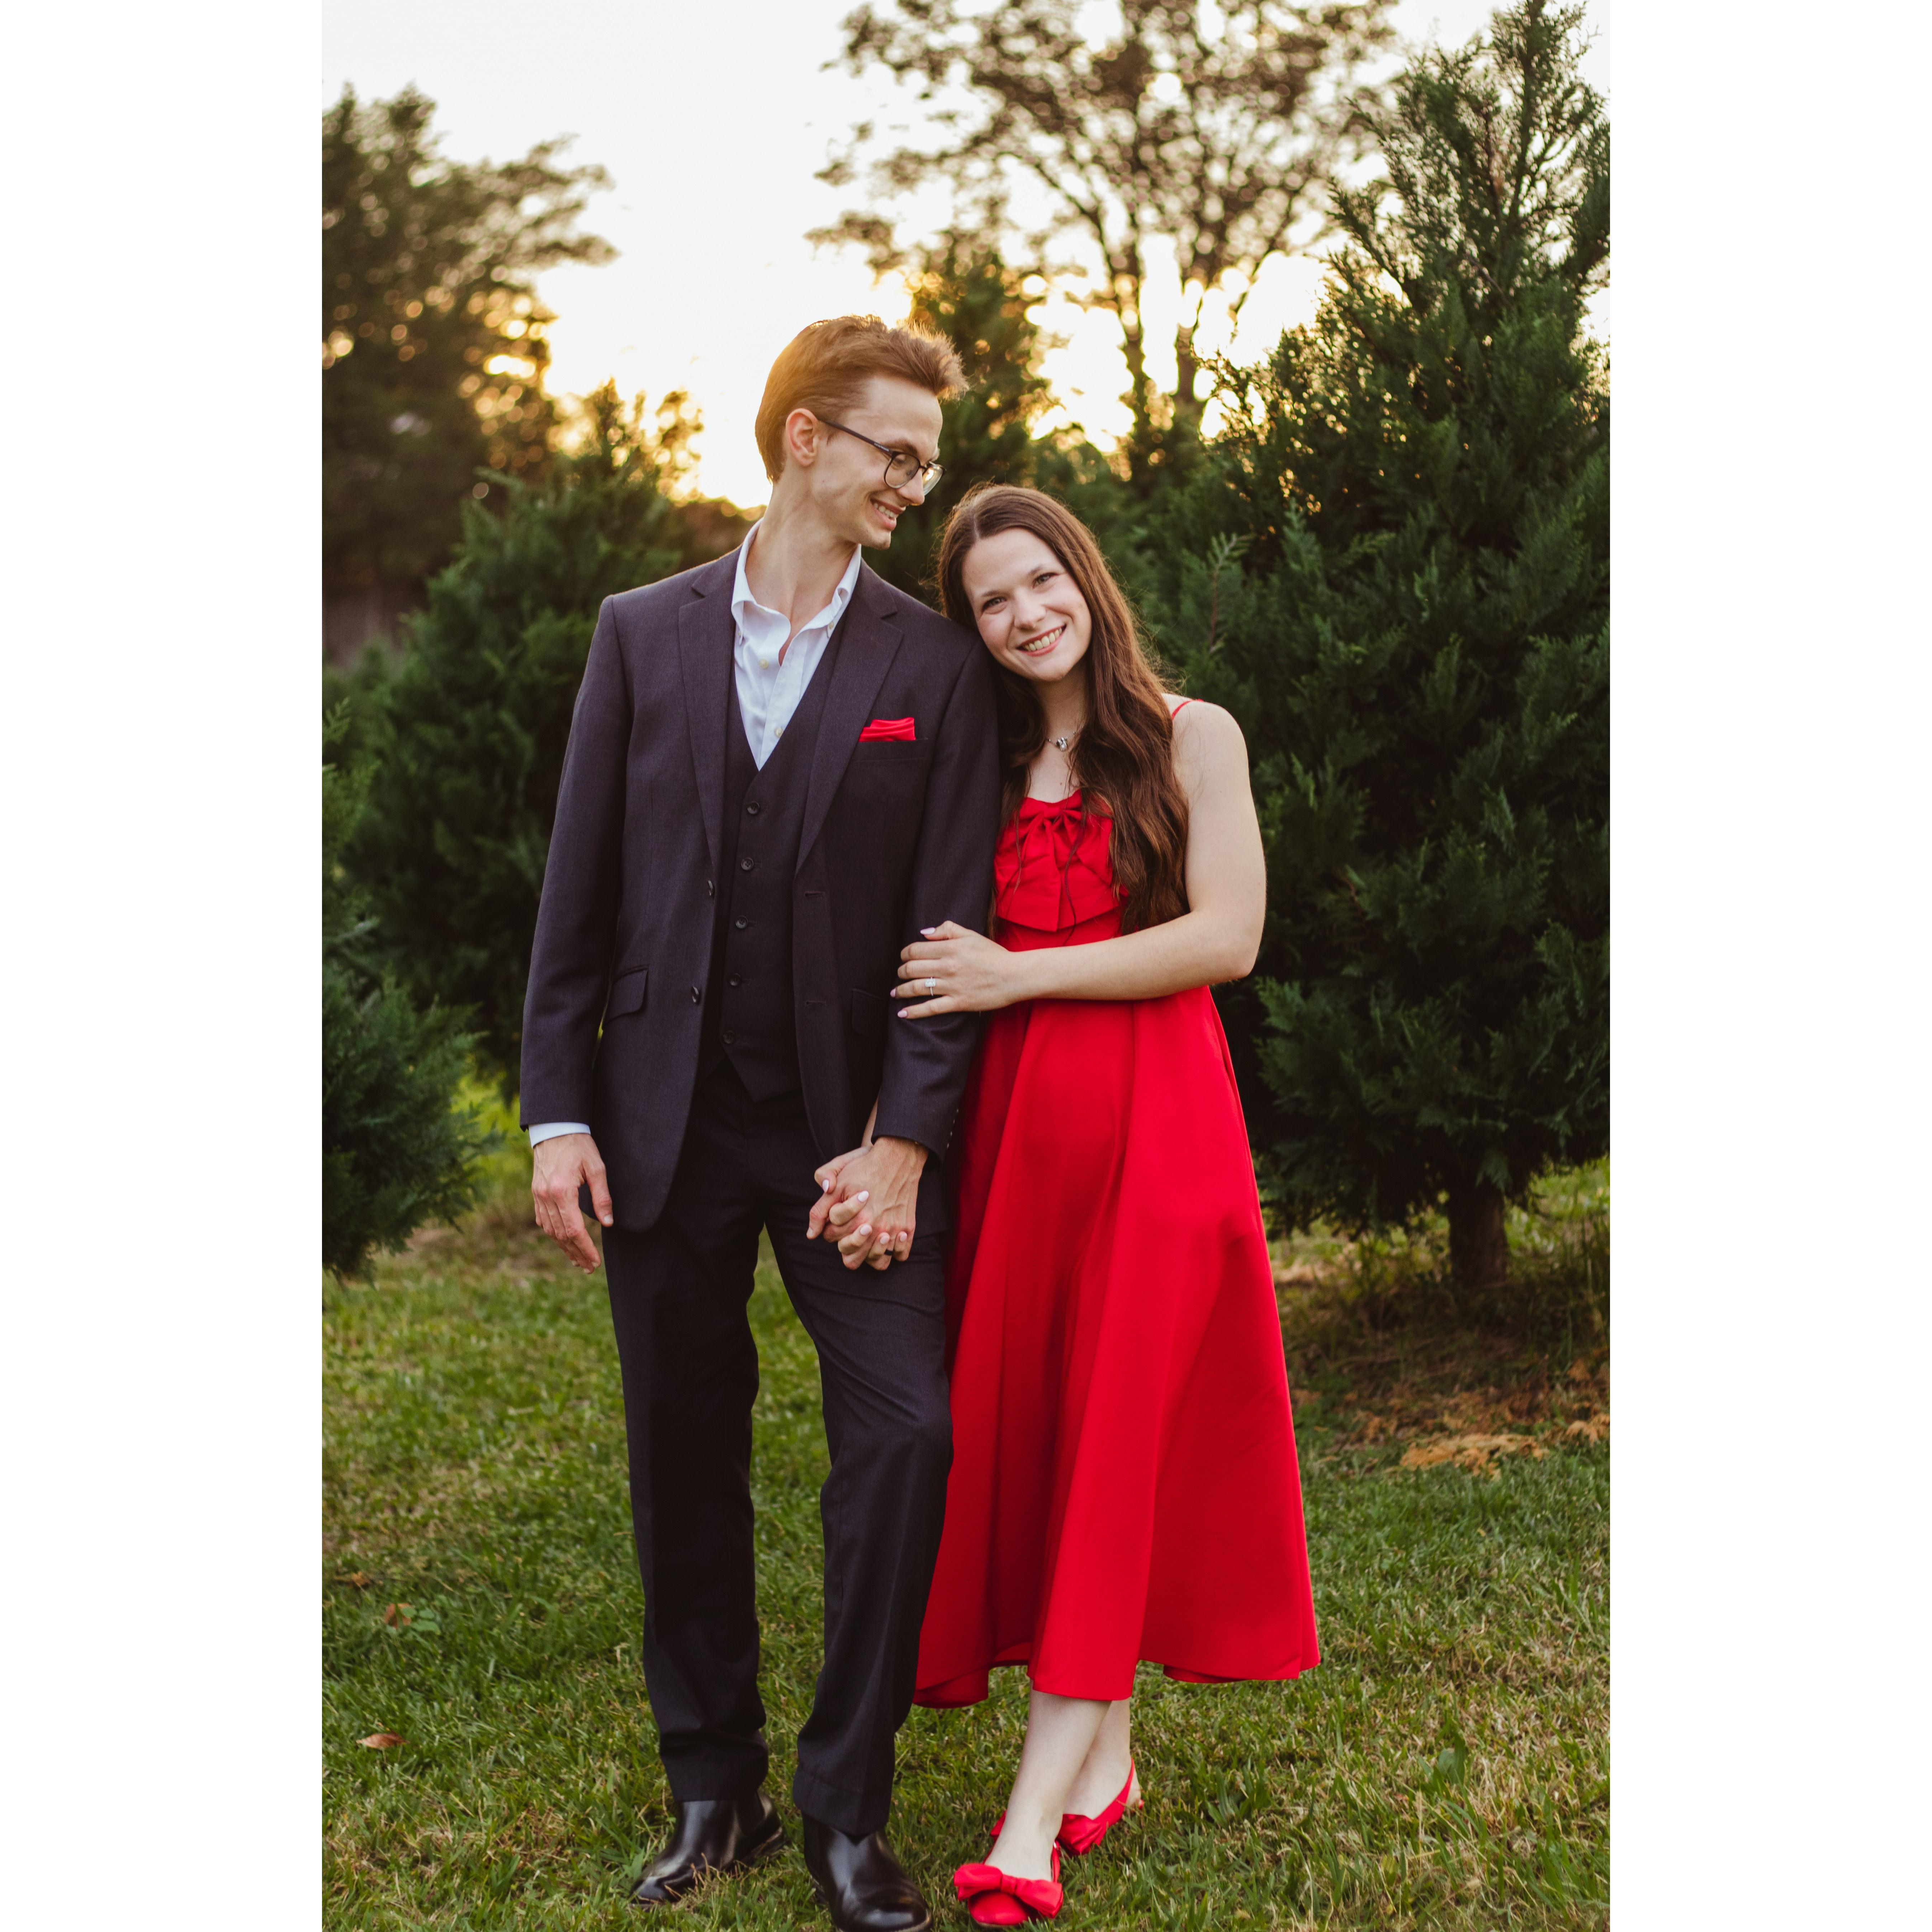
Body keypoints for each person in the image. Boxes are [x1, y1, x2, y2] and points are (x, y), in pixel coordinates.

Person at [519, 316, 1001, 1932]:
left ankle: (845, 1809)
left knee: (907, 1432)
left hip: (845, 1141)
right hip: (658, 1122)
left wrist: (904, 1141)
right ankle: (710, 1785)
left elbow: (947, 925)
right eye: (894, 452)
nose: (913, 484)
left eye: (925, 461)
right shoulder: (639, 633)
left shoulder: (936, 666)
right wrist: (557, 1113)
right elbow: (577, 892)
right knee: (682, 1446)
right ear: (806, 436)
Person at [826, 484, 1320, 1924]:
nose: (1024, 613)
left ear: (1085, 580)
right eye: (991, 600)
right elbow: (910, 959)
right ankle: (1106, 1758)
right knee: (1056, 1439)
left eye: (1041, 580)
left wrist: (1017, 974)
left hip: (1160, 1138)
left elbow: (1227, 938)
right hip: (1018, 1146)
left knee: (1114, 1445)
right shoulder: (974, 767)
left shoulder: (1191, 734)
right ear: (970, 628)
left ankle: (1030, 1829)